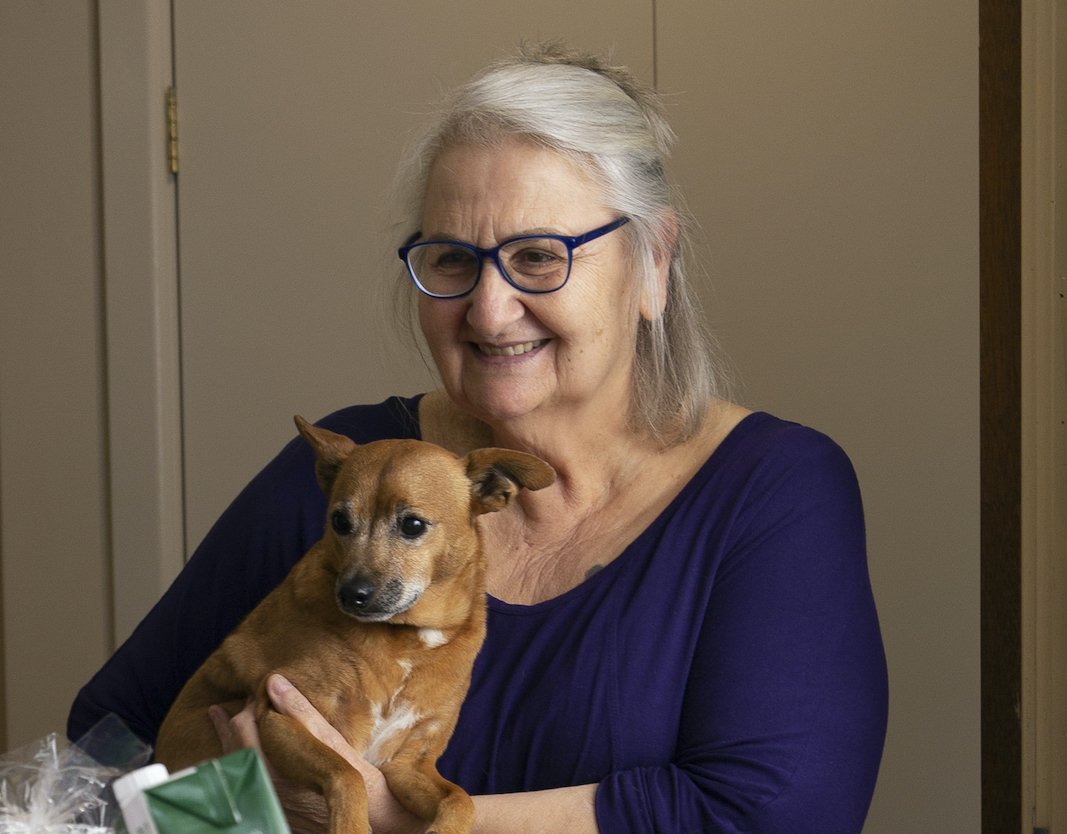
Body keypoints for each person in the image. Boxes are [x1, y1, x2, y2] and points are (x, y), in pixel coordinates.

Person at [68, 43, 888, 834]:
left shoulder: (770, 491)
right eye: (453, 260)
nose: (489, 310)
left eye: (539, 256)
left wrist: (390, 823)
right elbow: (110, 736)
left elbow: (777, 814)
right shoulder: (347, 471)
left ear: (653, 262)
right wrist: (245, 823)